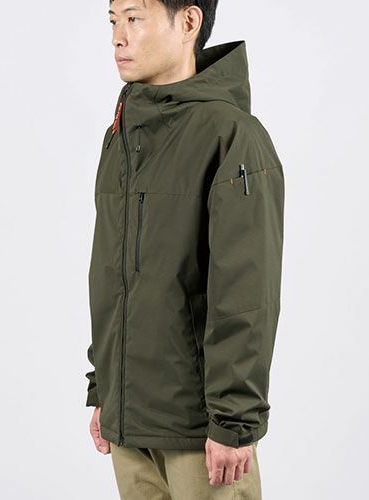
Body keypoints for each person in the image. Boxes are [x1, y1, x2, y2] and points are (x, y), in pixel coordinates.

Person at [84, 1, 285, 498]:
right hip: (130, 424)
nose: (118, 37)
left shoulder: (232, 136)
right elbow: (113, 273)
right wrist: (105, 387)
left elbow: (246, 292)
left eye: (134, 18)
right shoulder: (122, 134)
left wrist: (234, 420)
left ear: (189, 22)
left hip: (202, 433)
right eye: (113, 20)